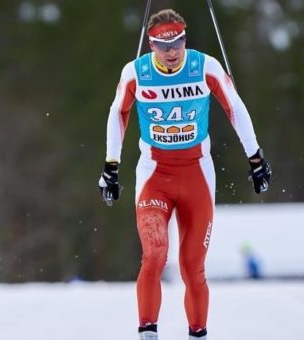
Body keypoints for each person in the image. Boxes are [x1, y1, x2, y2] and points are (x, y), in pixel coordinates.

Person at [97, 9, 271, 340]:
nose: (173, 51)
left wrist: (256, 157)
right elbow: (117, 113)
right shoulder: (136, 72)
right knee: (154, 255)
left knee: (192, 267)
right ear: (151, 46)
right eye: (164, 46)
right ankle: (148, 333)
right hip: (154, 175)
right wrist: (111, 165)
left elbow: (235, 107)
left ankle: (198, 333)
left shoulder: (204, 66)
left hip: (197, 175)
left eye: (178, 42)